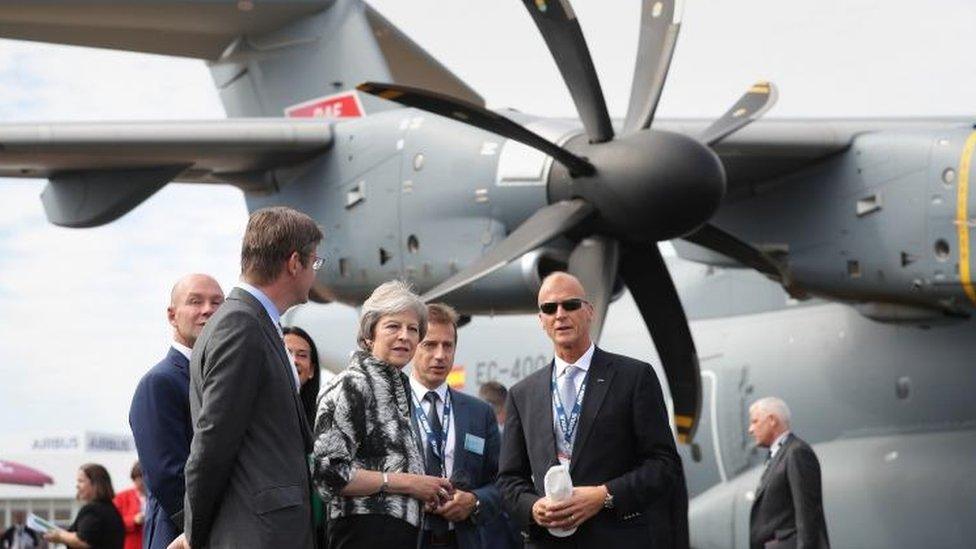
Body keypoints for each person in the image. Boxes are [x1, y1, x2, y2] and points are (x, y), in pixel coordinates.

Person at [173, 206, 324, 549]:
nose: (315, 275)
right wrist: (196, 535)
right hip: (258, 536)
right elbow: (212, 443)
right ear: (294, 262)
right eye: (315, 263)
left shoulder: (255, 322)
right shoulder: (241, 325)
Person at [497, 272, 683, 548]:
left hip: (618, 537)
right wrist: (534, 508)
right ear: (541, 321)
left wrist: (603, 496)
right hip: (548, 541)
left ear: (589, 312)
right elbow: (509, 480)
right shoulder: (522, 393)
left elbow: (664, 464)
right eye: (549, 308)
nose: (559, 314)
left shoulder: (633, 377)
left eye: (570, 305)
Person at [312, 281, 454, 549]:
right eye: (393, 326)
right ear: (369, 335)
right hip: (361, 534)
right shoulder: (351, 384)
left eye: (413, 329)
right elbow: (329, 474)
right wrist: (410, 483)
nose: (405, 336)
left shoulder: (396, 390)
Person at [129, 274, 223, 549]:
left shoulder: (222, 378)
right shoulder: (160, 382)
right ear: (172, 316)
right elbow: (168, 475)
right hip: (180, 536)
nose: (208, 309)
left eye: (217, 302)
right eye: (196, 301)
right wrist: (205, 531)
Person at [408, 303, 503, 549]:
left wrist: (474, 501)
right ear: (412, 346)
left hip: (462, 539)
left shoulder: (479, 413)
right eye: (430, 344)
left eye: (447, 345)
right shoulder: (388, 407)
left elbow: (504, 482)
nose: (440, 355)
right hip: (407, 537)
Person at [748, 397, 829, 549]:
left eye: (755, 421)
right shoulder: (778, 455)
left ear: (772, 420)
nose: (750, 429)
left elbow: (807, 517)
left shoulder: (796, 453)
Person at [282, 325, 328, 549]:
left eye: (302, 355)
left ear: (311, 370)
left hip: (318, 534)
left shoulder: (325, 418)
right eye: (287, 352)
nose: (295, 360)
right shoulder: (260, 416)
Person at [45, 464, 125, 549]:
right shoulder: (111, 509)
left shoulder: (93, 510)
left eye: (81, 481)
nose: (77, 486)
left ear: (95, 484)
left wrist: (60, 536)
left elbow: (83, 540)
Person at [112, 462, 146, 549]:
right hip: (131, 544)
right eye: (137, 480)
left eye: (143, 480)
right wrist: (133, 520)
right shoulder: (121, 497)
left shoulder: (156, 498)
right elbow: (112, 522)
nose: (140, 483)